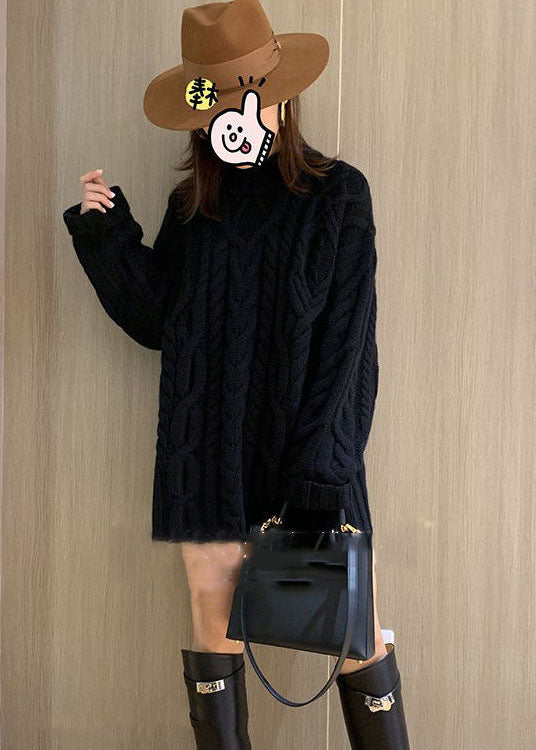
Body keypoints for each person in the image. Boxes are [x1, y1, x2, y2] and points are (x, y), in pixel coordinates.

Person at [62, 0, 410, 747]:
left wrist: (321, 472)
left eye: (250, 99)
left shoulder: (337, 195)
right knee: (211, 627)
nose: (237, 117)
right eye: (217, 105)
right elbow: (160, 322)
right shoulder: (194, 206)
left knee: (355, 635)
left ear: (282, 97)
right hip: (205, 452)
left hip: (305, 457)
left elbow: (350, 348)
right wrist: (106, 234)